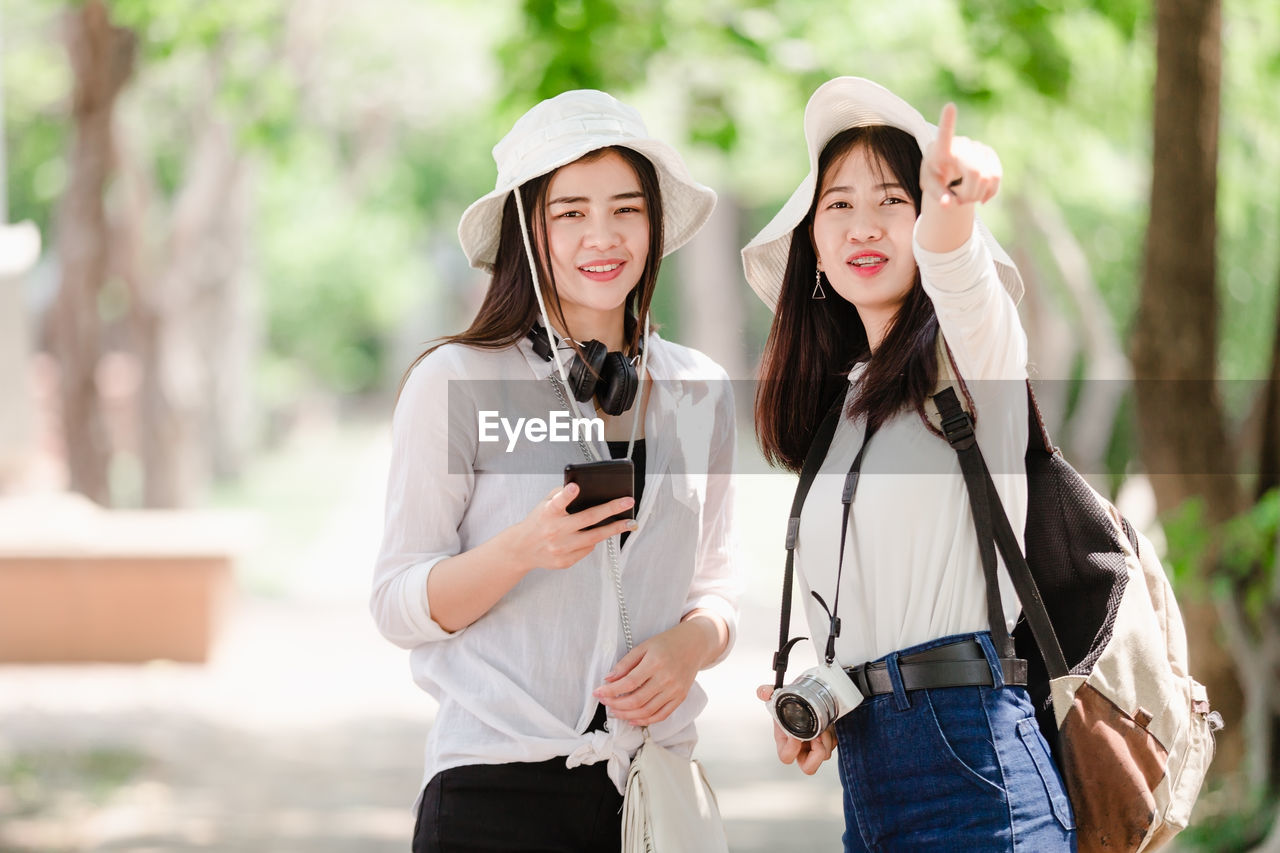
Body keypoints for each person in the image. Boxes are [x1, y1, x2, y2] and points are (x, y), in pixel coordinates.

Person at [370, 89, 739, 853]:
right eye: (570, 212)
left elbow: (718, 586)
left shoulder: (699, 388)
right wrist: (521, 548)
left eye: (625, 209)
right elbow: (396, 603)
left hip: (651, 797)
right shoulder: (454, 380)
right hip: (493, 796)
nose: (601, 237)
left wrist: (693, 643)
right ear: (528, 232)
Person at [742, 77, 1076, 851]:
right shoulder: (845, 410)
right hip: (870, 772)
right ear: (814, 248)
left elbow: (957, 271)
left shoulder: (972, 357)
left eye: (894, 200)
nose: (866, 226)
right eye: (840, 205)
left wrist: (954, 202)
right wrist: (814, 699)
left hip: (977, 762)